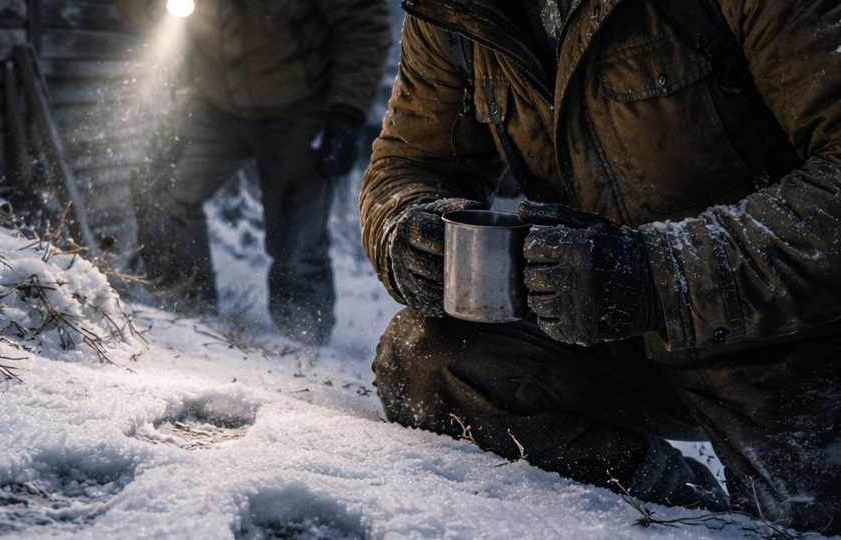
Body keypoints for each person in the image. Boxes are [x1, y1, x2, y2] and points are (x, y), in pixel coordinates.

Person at [359, 0, 841, 533]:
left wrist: (655, 276)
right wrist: (402, 229)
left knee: (808, 527)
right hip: (609, 334)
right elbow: (410, 164)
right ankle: (682, 509)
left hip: (796, 336)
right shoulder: (452, 10)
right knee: (430, 361)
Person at [115, 0, 391, 345]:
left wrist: (348, 110)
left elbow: (364, 22)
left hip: (301, 107)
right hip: (211, 102)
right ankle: (184, 318)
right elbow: (144, 12)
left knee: (297, 236)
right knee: (158, 185)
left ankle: (304, 346)